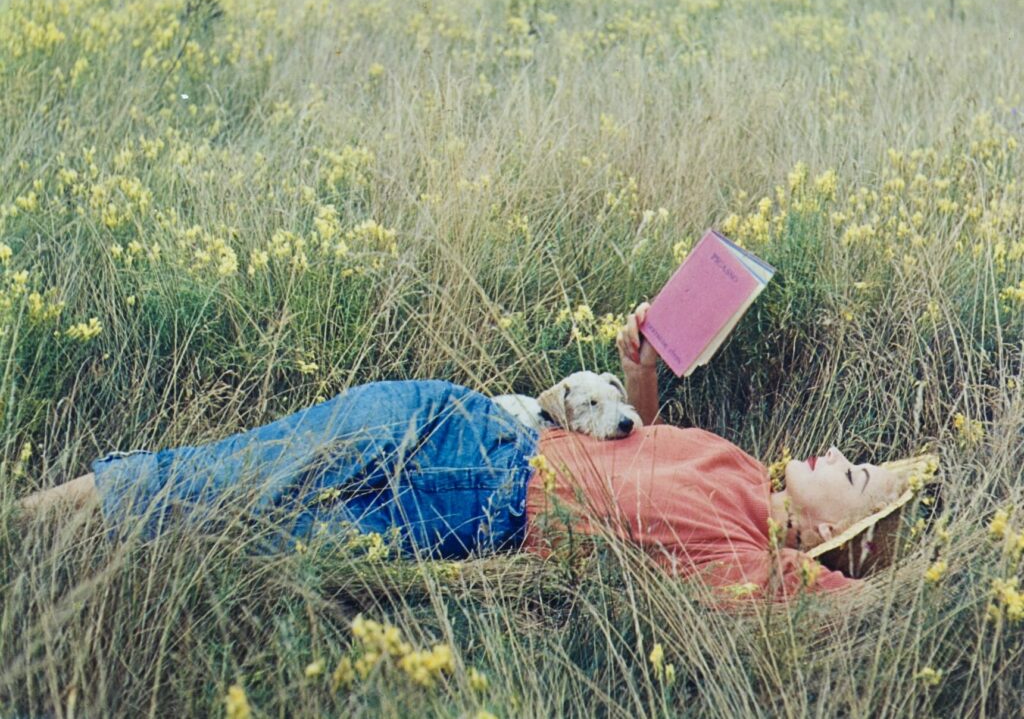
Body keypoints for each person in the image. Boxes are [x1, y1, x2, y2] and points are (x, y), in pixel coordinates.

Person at [15, 304, 911, 602]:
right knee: (218, 475)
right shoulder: (745, 464)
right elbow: (645, 440)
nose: (836, 450)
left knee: (232, 551)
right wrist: (640, 372)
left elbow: (870, 611)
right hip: (468, 424)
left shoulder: (760, 576)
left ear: (842, 532)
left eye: (855, 472)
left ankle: (62, 584)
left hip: (470, 515)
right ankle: (22, 529)